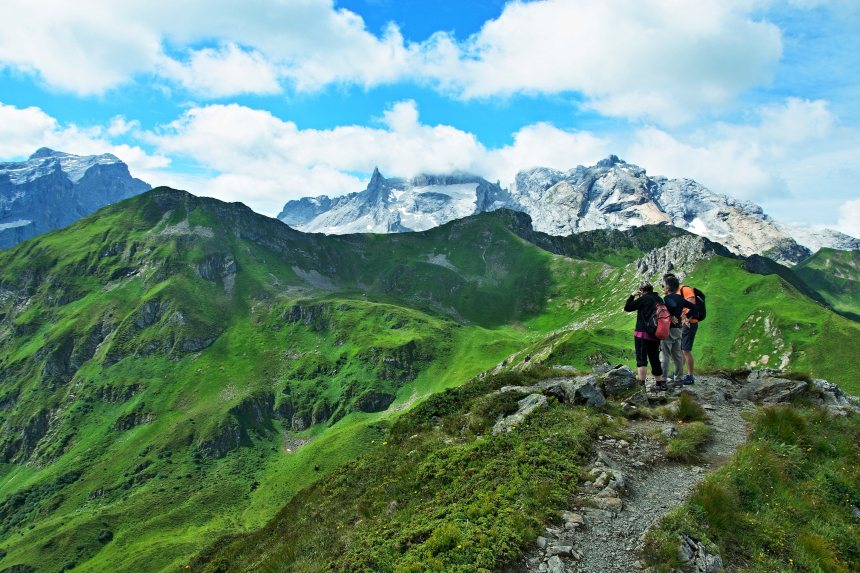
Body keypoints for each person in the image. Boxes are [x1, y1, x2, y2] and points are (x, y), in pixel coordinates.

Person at [624, 282, 667, 391]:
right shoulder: (659, 299)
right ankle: (660, 383)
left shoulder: (643, 299)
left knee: (641, 359)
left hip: (642, 334)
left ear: (642, 290)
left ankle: (641, 385)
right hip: (656, 334)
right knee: (655, 359)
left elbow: (628, 307)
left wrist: (632, 296)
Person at [661, 273, 697, 385]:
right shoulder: (680, 297)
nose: (663, 288)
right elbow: (694, 308)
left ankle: (665, 378)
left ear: (668, 287)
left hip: (675, 328)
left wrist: (674, 315)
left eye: (663, 286)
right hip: (679, 328)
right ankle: (678, 377)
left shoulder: (670, 296)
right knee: (678, 353)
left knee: (669, 353)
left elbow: (672, 305)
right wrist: (685, 316)